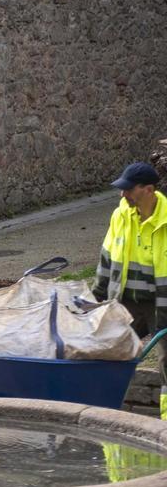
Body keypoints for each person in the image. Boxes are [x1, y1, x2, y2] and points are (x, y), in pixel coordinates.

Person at [93, 161, 167, 418]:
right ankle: (107, 412)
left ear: (148, 189)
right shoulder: (120, 215)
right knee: (111, 352)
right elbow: (107, 257)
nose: (123, 194)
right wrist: (97, 295)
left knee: (166, 361)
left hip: (160, 303)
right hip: (126, 301)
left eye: (128, 189)